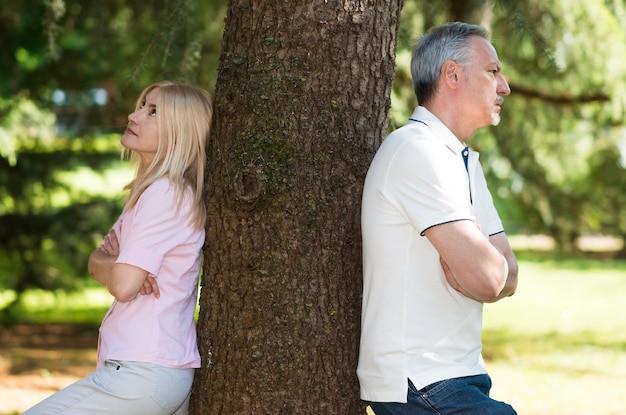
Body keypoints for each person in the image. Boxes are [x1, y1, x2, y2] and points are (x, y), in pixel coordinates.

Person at [23, 81, 213, 415]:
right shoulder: (155, 193)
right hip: (157, 371)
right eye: (142, 105)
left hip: (142, 373)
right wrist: (116, 263)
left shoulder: (164, 194)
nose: (133, 115)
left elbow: (123, 285)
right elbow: (97, 261)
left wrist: (119, 267)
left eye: (152, 112)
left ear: (180, 132)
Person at [357, 22, 519, 415]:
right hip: (418, 380)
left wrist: (481, 270)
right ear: (452, 74)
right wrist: (481, 270)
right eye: (493, 72)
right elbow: (489, 276)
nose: (505, 87)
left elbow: (508, 275)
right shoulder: (416, 151)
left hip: (458, 376)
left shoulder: (462, 160)